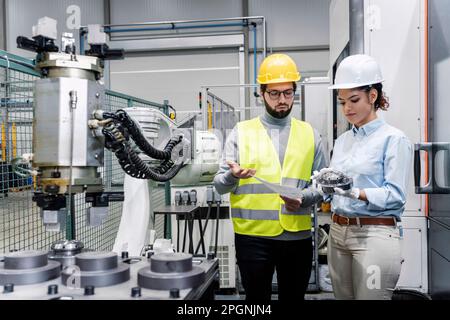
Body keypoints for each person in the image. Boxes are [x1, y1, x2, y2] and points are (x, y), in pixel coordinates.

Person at [213, 53, 328, 301]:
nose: (282, 100)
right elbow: (219, 186)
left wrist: (305, 198)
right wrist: (232, 177)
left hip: (297, 237)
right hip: (252, 238)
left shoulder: (310, 134)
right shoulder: (241, 132)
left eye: (288, 93)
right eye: (274, 93)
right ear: (262, 93)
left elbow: (323, 185)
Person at [313, 54, 413, 300]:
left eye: (354, 100)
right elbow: (338, 187)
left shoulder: (394, 139)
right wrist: (325, 184)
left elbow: (396, 195)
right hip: (338, 232)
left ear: (373, 96)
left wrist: (357, 193)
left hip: (374, 235)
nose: (347, 108)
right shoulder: (344, 141)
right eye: (342, 101)